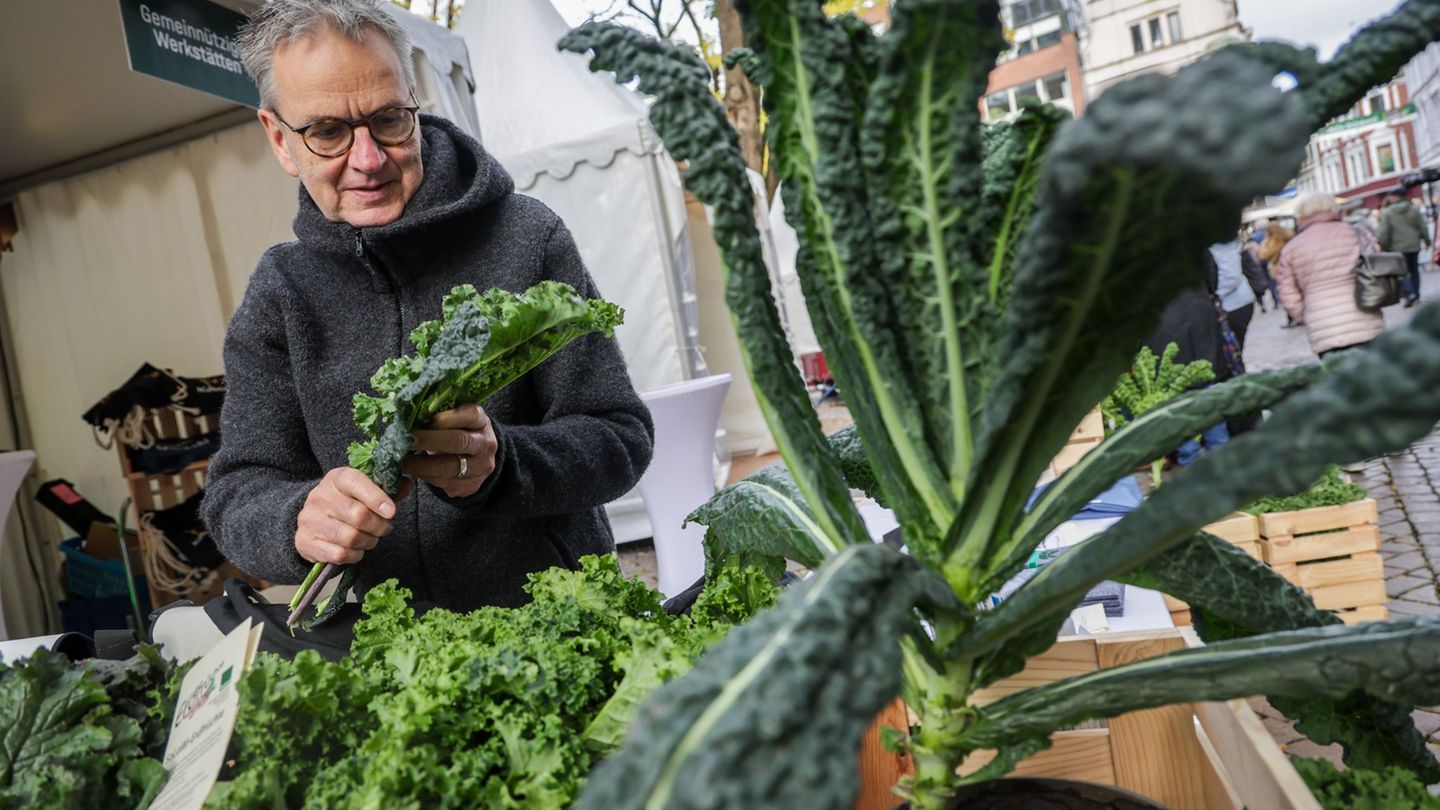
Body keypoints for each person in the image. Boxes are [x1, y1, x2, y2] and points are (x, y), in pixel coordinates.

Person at [202, 0, 655, 612]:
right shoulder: (281, 293)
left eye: (388, 120)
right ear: (280, 140)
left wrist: (502, 465)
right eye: (328, 132)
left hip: (559, 620)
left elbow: (619, 438)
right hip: (392, 654)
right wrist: (297, 519)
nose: (368, 159)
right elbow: (236, 492)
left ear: (415, 103)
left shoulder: (526, 238)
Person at [1274, 193, 1384, 360]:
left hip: (1323, 324)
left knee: (1339, 381)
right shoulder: (1357, 233)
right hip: (1365, 314)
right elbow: (1378, 264)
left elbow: (1287, 293)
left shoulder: (1291, 248)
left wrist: (1305, 314)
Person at [1378, 191, 1432, 307]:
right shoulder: (1413, 209)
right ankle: (1416, 293)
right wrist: (1427, 241)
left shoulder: (1388, 212)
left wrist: (1384, 246)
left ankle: (1410, 293)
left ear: (1394, 197)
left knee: (1402, 272)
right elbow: (1422, 226)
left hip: (1397, 248)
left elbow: (1384, 232)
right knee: (1414, 270)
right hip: (1414, 245)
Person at [1209, 238, 1255, 349]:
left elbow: (1231, 277)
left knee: (1233, 352)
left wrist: (1213, 296)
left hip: (1234, 304)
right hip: (1231, 303)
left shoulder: (1221, 243)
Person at [1258, 223, 1294, 322]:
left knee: (1285, 292)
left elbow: (1263, 254)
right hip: (1290, 267)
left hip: (1280, 268)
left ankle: (1291, 316)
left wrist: (1265, 241)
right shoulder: (1287, 236)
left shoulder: (1274, 241)